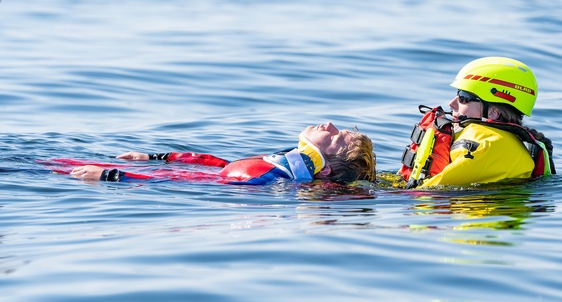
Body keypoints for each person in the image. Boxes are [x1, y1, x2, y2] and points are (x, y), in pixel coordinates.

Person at [399, 56, 555, 188]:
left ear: (493, 112)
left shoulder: (489, 145)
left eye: (463, 98)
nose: (452, 103)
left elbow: (429, 192)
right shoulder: (494, 141)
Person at [69, 122, 376, 184]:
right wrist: (157, 157)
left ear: (323, 169)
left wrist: (112, 176)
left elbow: (178, 185)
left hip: (154, 181)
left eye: (336, 137)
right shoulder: (278, 165)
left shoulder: (268, 179)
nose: (329, 125)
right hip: (168, 169)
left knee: (46, 170)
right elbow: (222, 165)